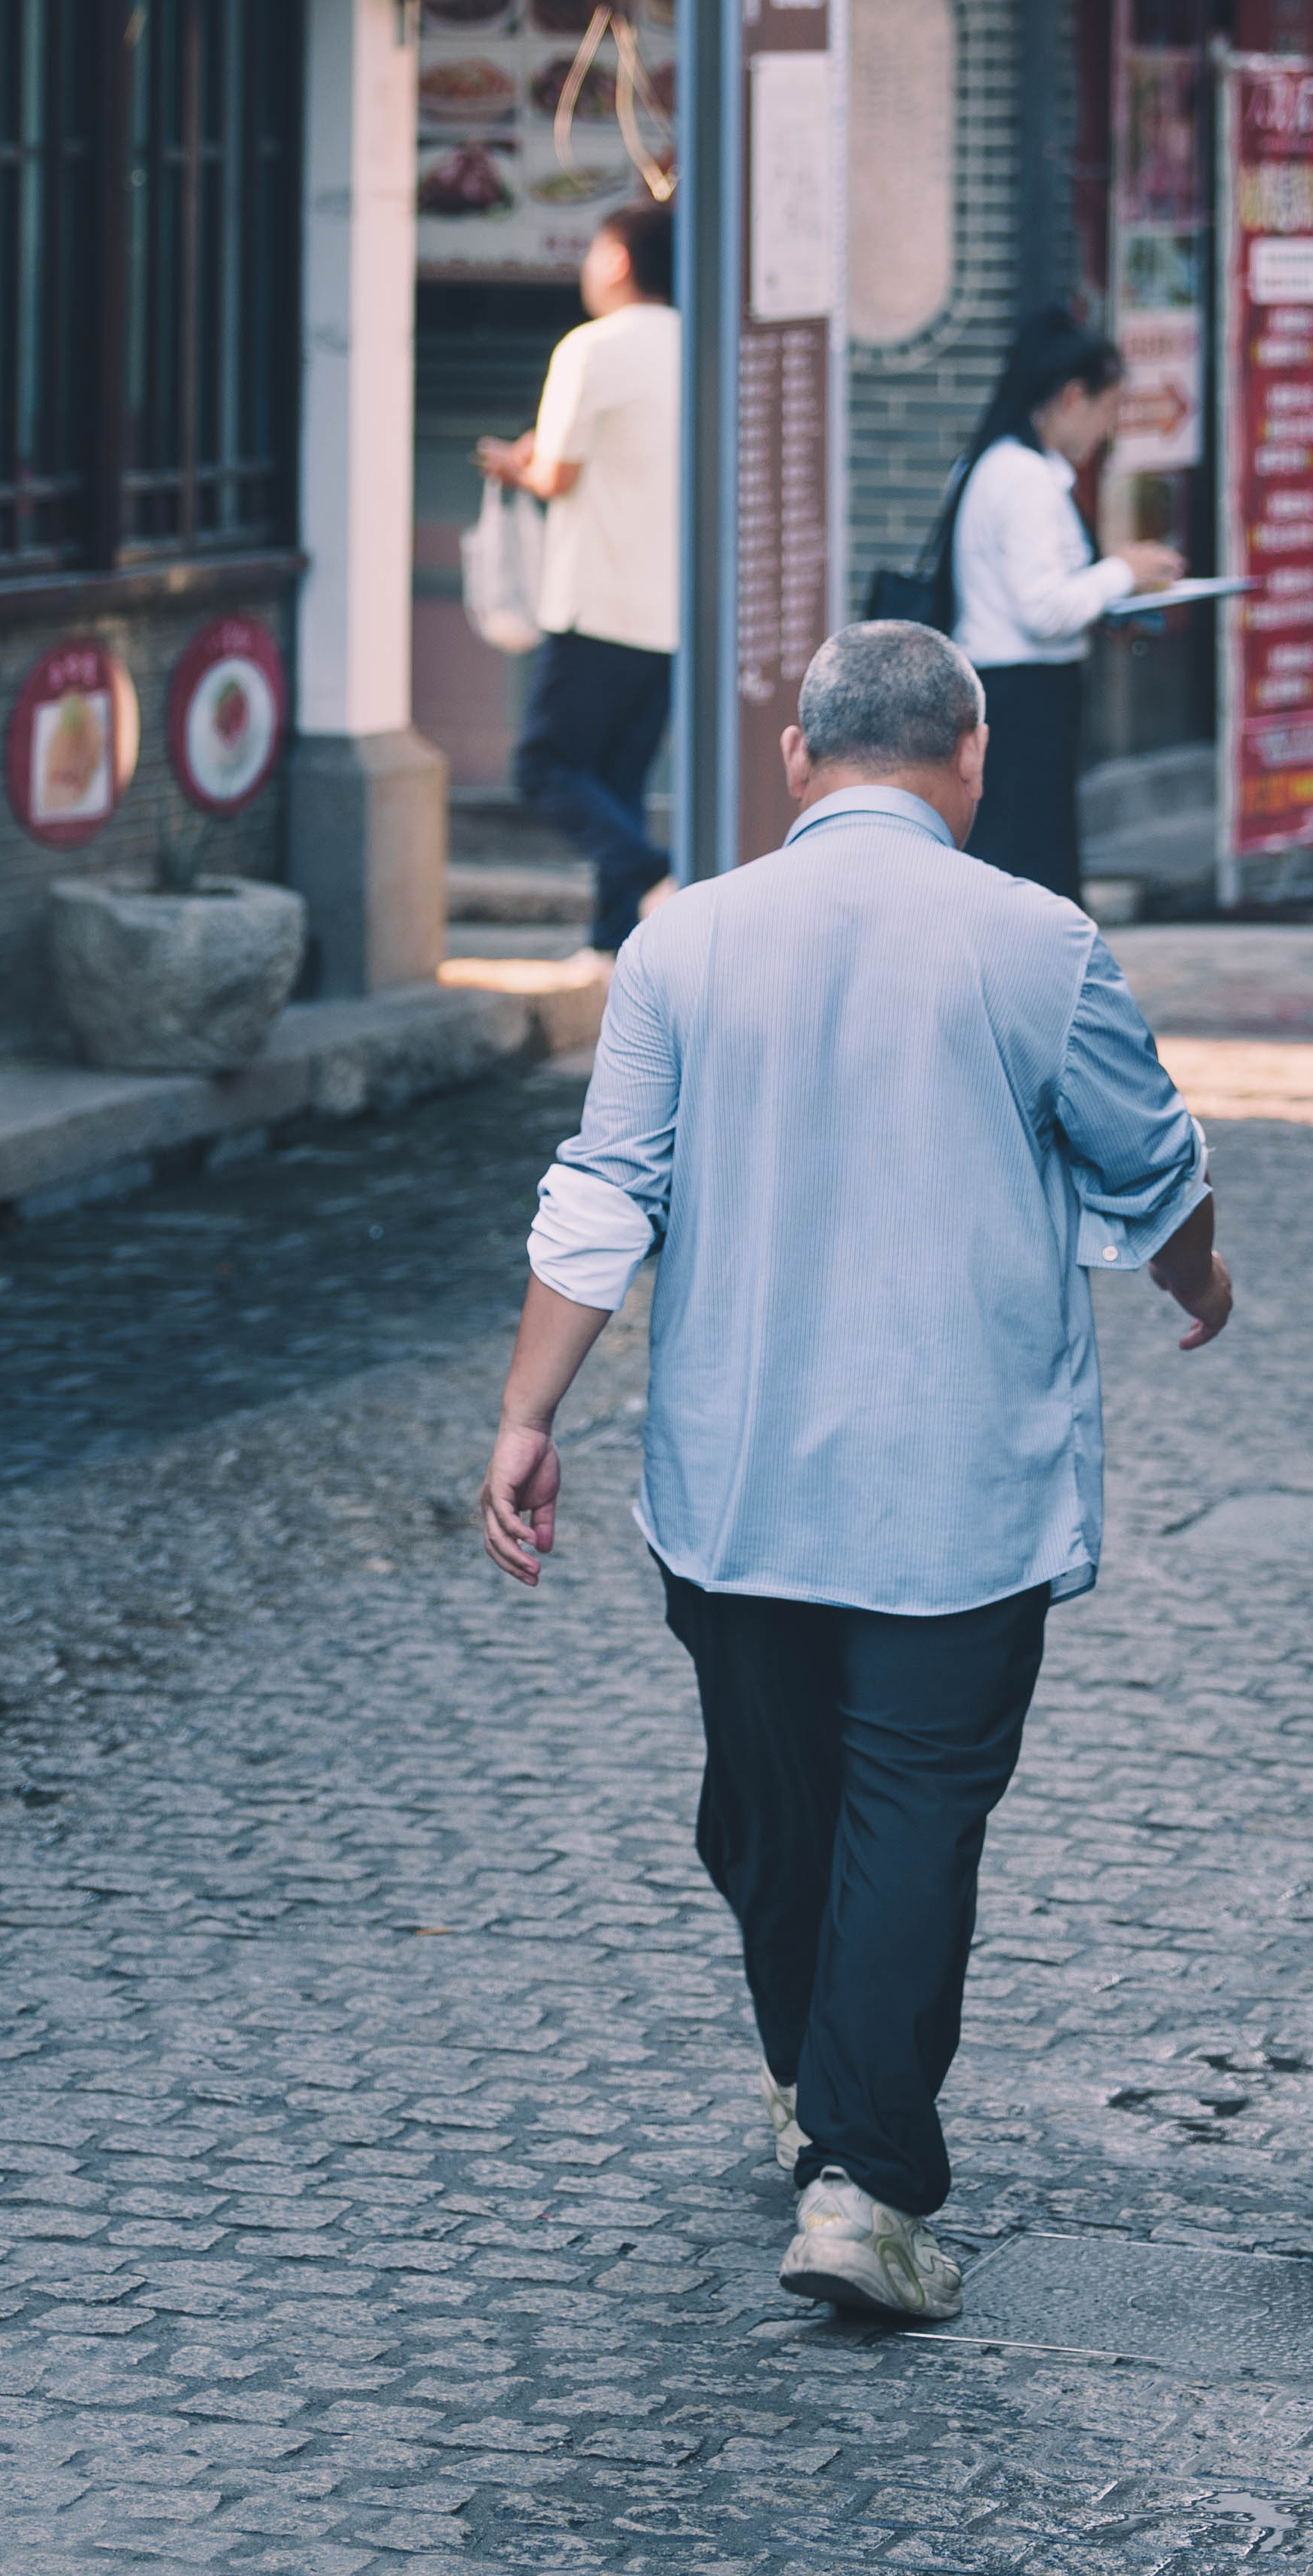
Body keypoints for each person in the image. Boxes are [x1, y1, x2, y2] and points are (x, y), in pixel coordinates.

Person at [478, 617, 1233, 2330]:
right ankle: (865, 2181)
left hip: (733, 1484)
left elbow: (603, 1191)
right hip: (951, 1491)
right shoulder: (1037, 941)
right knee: (904, 1817)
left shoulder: (683, 944)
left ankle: (817, 2100)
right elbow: (1152, 1166)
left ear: (796, 760)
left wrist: (527, 1413)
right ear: (974, 760)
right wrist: (1202, 1286)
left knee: (771, 1809)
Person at [480, 196, 679, 963]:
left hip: (597, 599)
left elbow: (556, 475)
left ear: (620, 261)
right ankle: (611, 943)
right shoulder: (699, 344)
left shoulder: (591, 348)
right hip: (670, 611)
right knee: (618, 781)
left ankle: (651, 874)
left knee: (545, 767)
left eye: (596, 252)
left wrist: (514, 464)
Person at [941, 308, 1183, 900]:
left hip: (1009, 690)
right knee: (1030, 867)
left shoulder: (996, 464)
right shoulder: (1023, 478)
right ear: (1074, 397)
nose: (1108, 429)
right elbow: (1043, 610)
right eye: (1108, 409)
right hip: (1024, 693)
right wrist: (1124, 572)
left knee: (1014, 858)